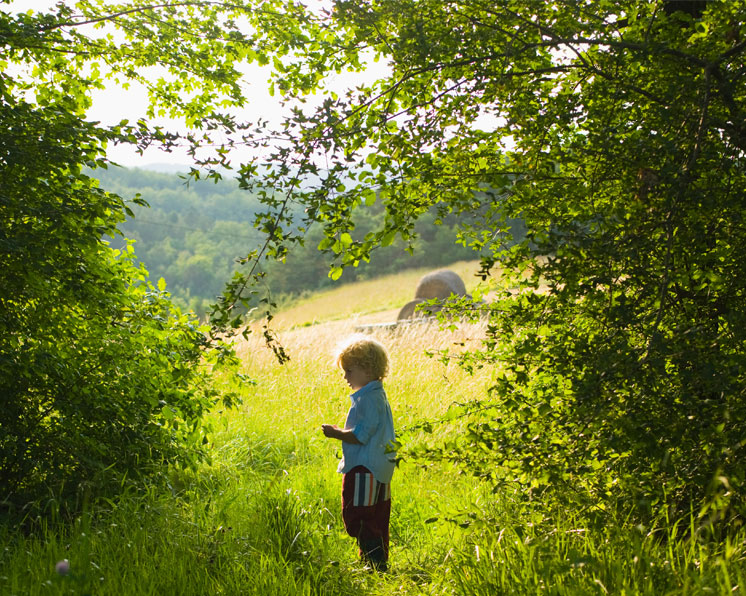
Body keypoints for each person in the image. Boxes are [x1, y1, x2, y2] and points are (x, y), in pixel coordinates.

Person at [321, 334, 396, 572]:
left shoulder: (368, 398)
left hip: (366, 467)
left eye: (349, 371)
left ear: (366, 369)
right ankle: (373, 561)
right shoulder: (374, 395)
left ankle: (375, 563)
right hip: (378, 467)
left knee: (360, 514)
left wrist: (336, 433)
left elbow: (361, 435)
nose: (345, 377)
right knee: (376, 514)